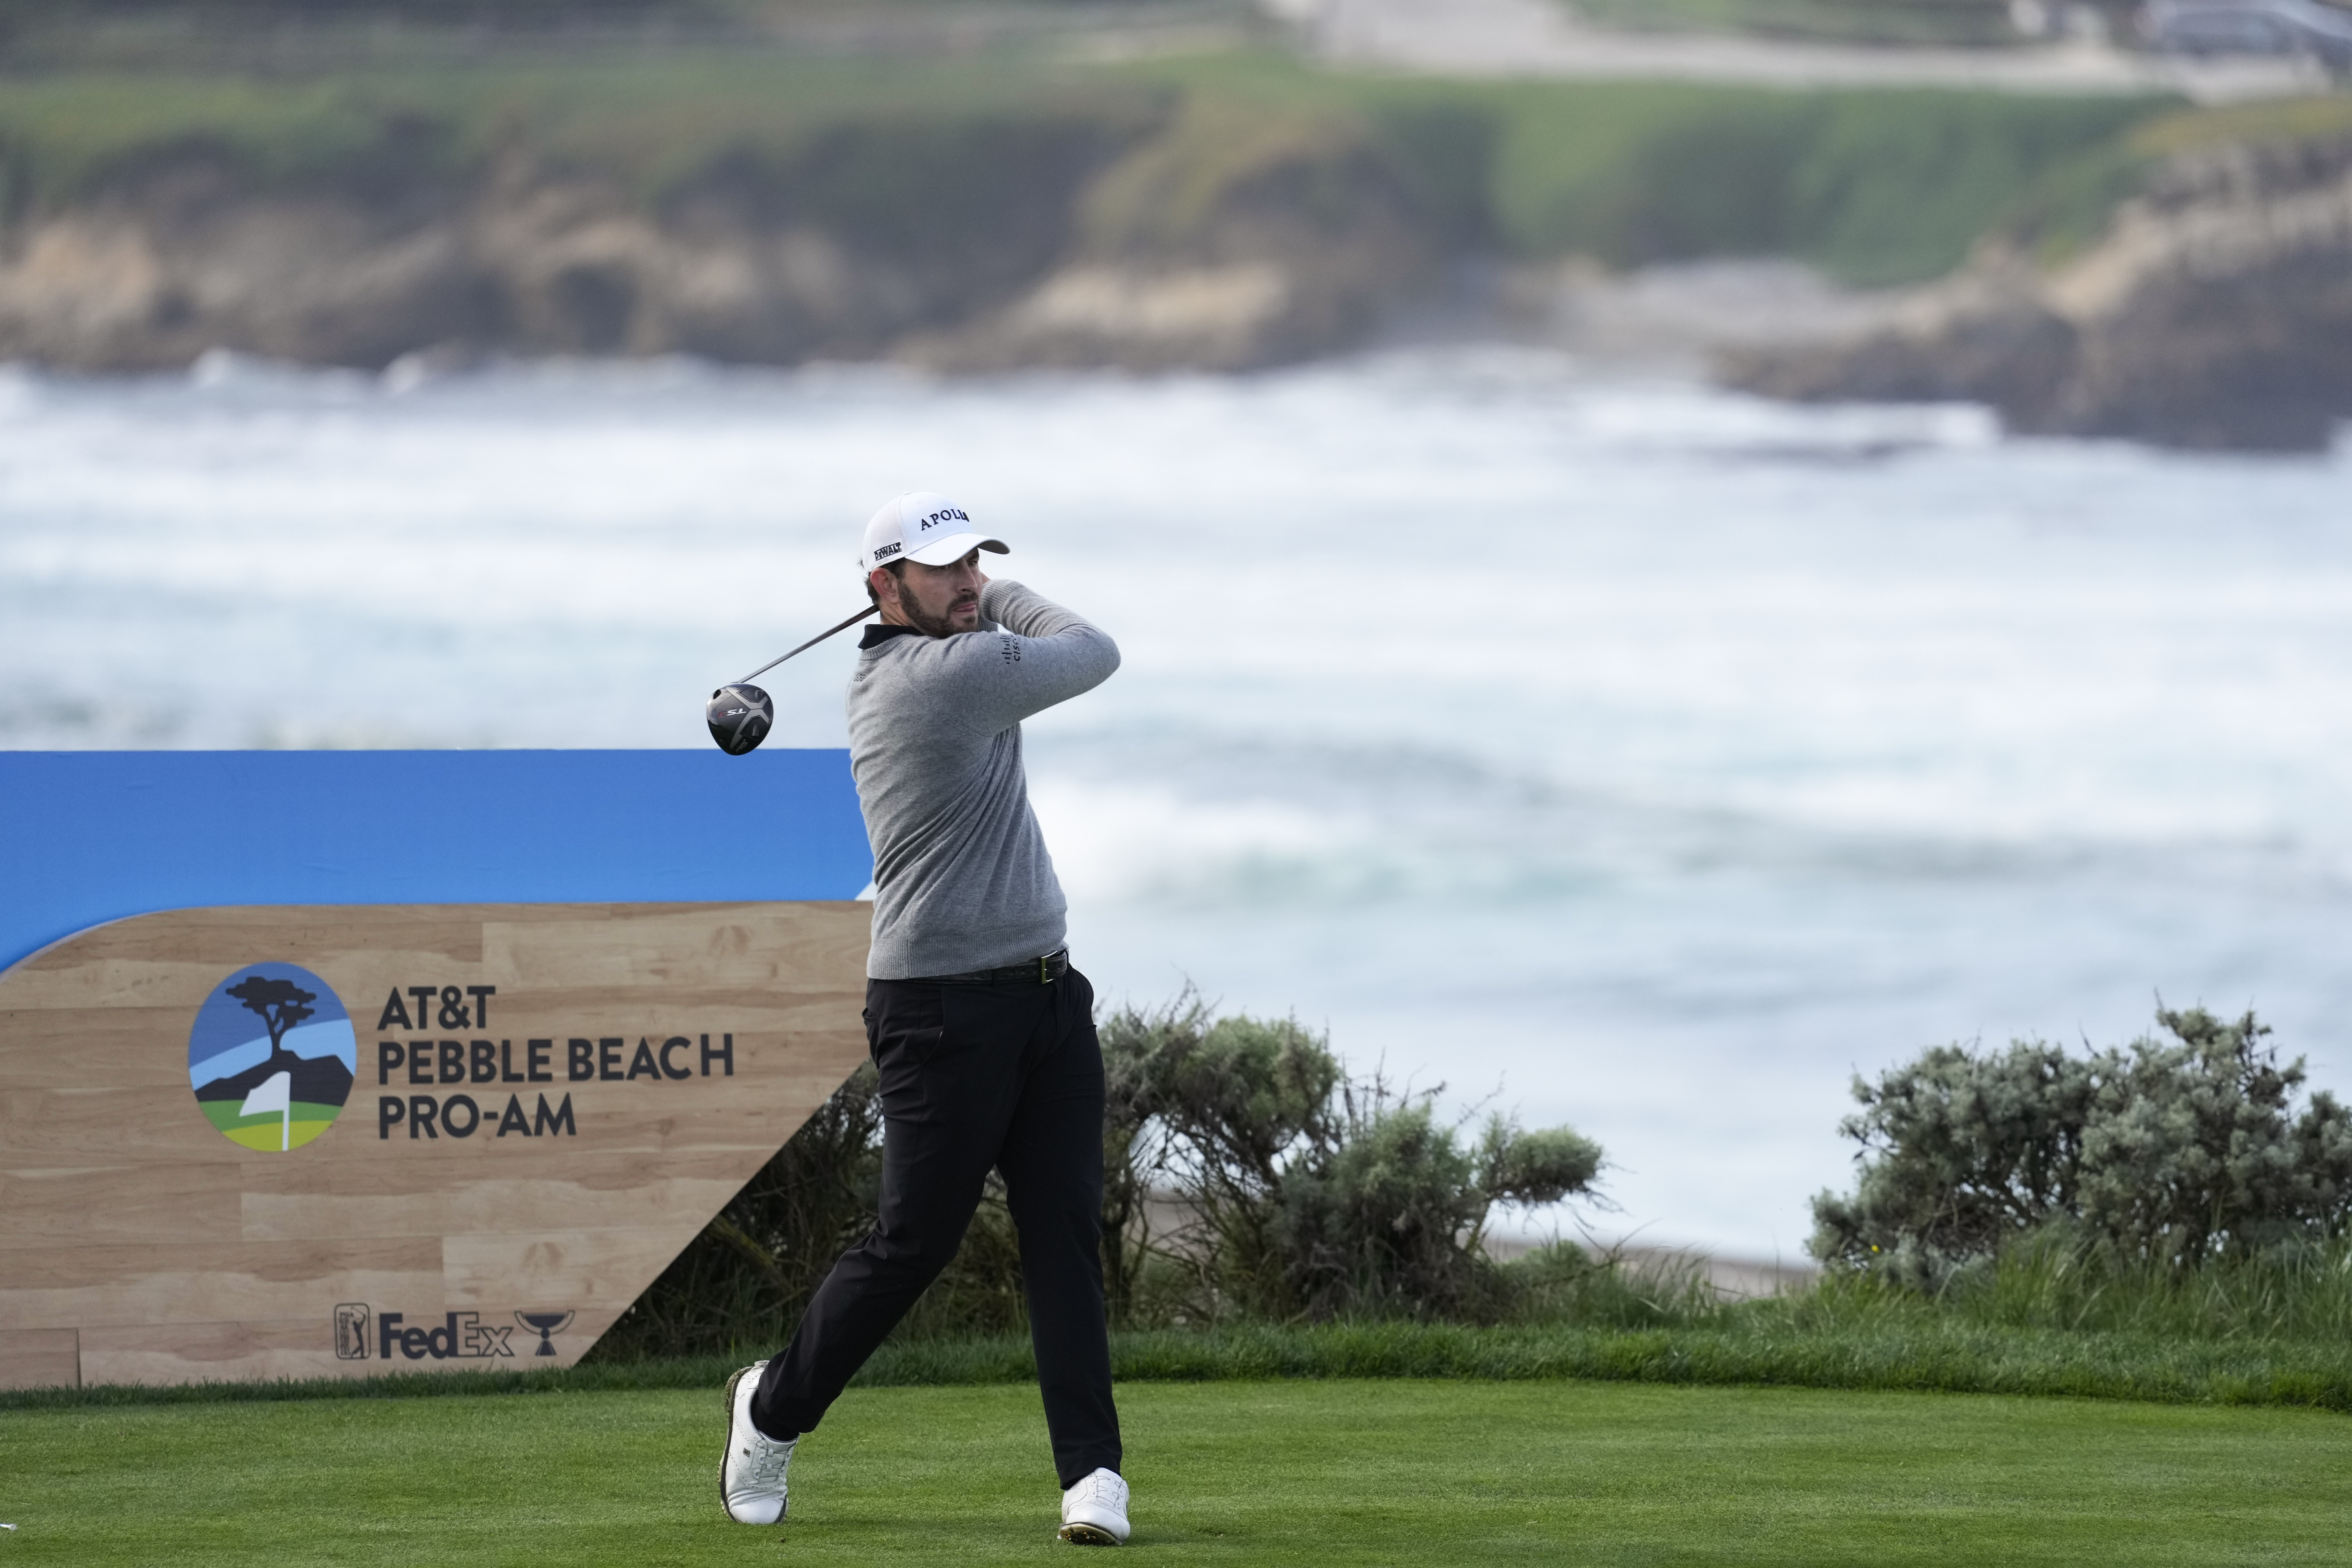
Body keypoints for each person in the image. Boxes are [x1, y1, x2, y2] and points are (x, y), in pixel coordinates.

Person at [720, 490, 1130, 1545]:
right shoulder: (939, 681)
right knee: (914, 1242)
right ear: (883, 587)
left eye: (976, 564)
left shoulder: (956, 656)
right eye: (945, 569)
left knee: (1063, 1236)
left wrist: (971, 598)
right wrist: (1001, 600)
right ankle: (770, 1411)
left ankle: (1092, 1478)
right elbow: (1093, 651)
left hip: (1046, 994)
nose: (969, 583)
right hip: (941, 1010)